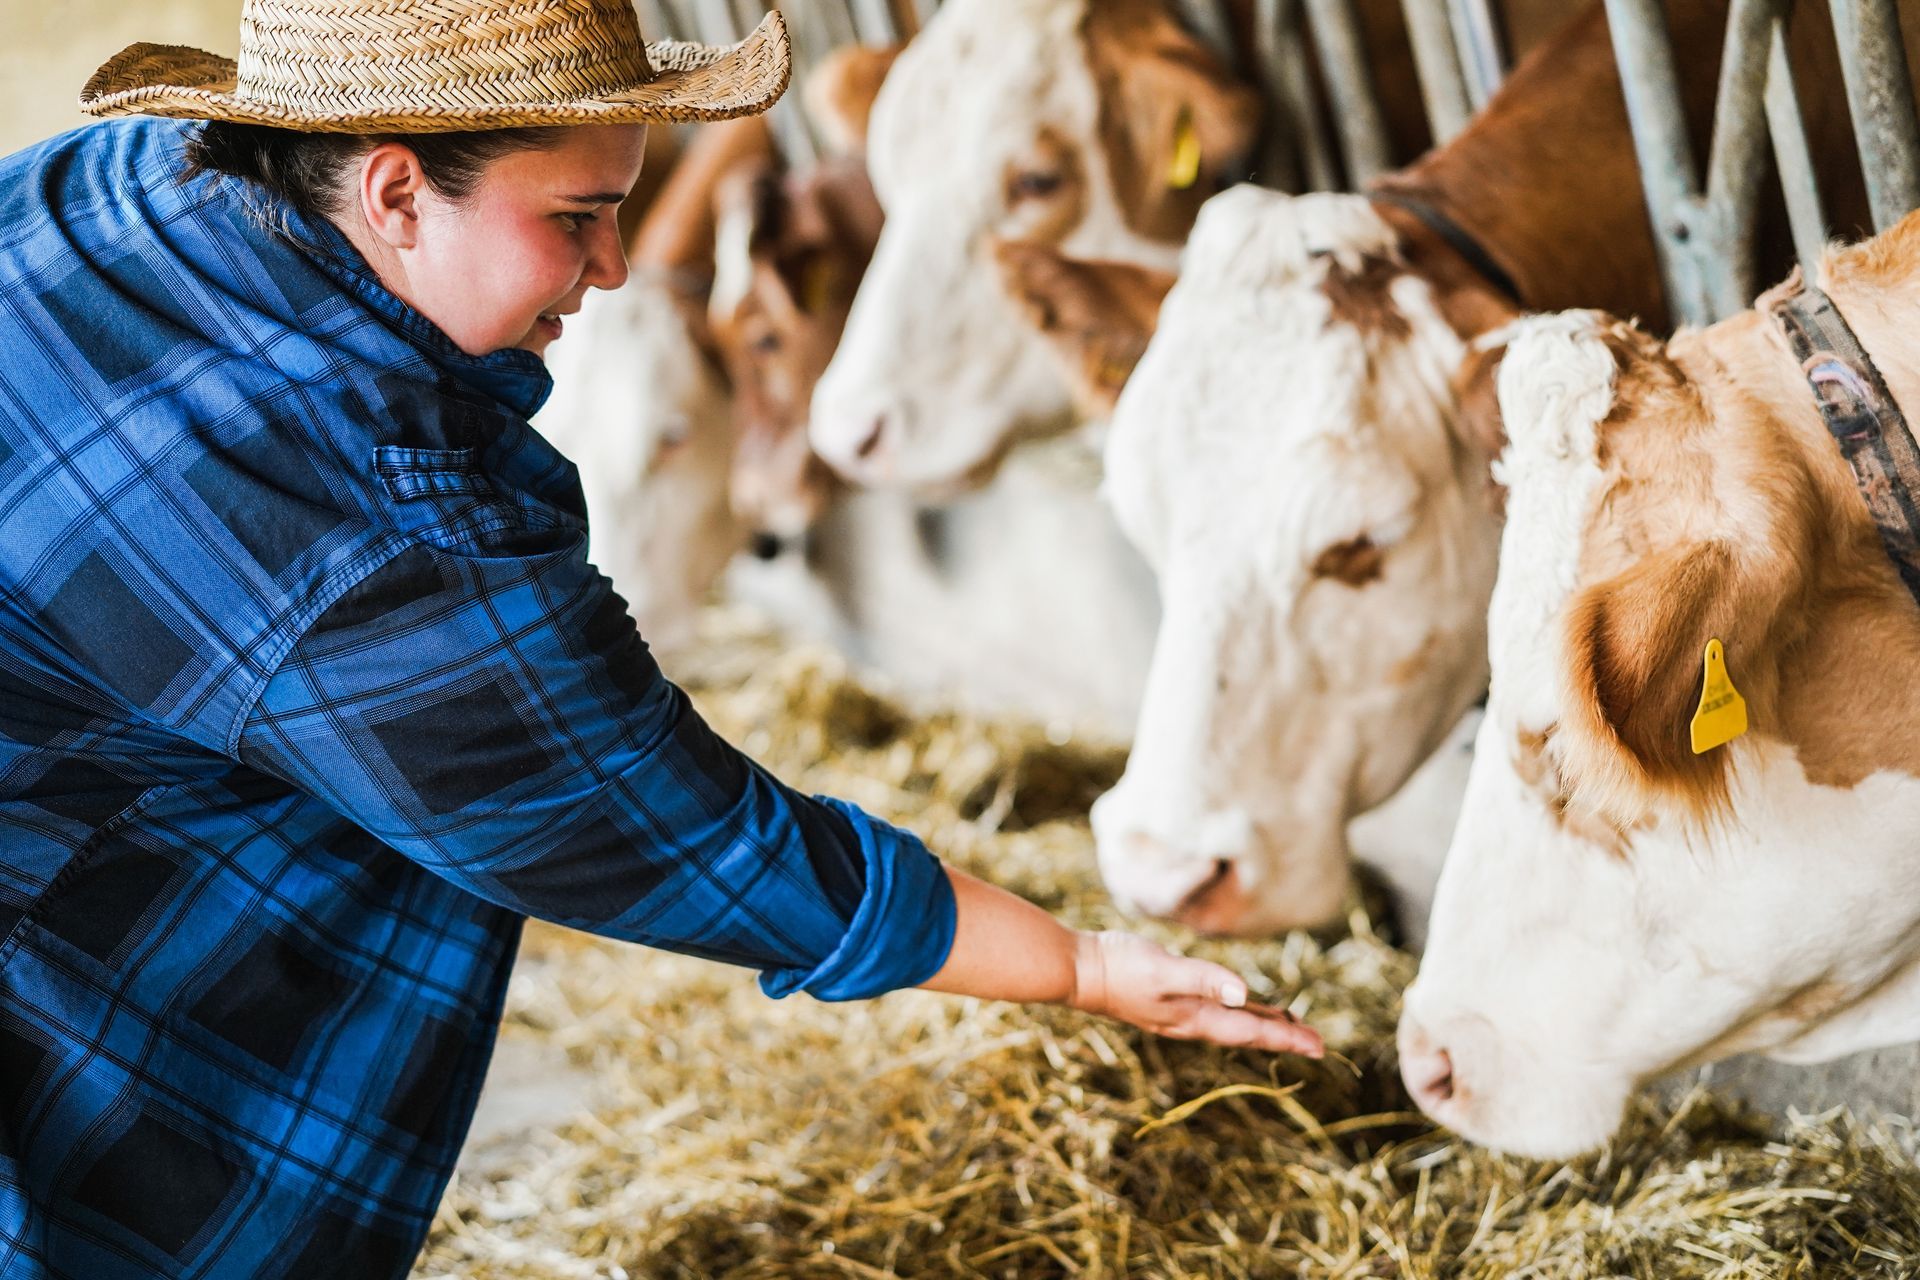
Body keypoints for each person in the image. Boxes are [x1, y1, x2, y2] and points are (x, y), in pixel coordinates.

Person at [0, 3, 1322, 1276]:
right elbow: (664, 825)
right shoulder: (376, 538)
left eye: (621, 206)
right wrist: (1080, 967)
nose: (618, 266)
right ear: (395, 194)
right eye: (575, 216)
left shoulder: (110, 186)